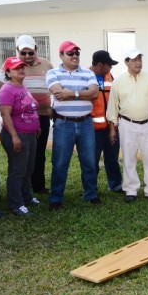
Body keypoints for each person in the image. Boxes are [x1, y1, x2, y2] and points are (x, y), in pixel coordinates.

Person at [45, 40, 100, 210]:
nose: (75, 56)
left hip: (85, 123)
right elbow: (58, 93)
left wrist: (73, 93)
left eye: (77, 53)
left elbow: (95, 93)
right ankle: (56, 198)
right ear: (61, 55)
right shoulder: (52, 72)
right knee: (60, 162)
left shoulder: (88, 73)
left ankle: (91, 194)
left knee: (89, 161)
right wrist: (83, 93)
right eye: (70, 53)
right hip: (64, 124)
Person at [0, 35, 54, 194]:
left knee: (39, 152)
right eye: (23, 53)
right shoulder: (10, 66)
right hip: (18, 118)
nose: (27, 56)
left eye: (30, 52)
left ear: (36, 50)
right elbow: (0, 88)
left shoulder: (47, 64)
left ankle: (37, 186)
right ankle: (20, 191)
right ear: (17, 52)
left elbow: (54, 86)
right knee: (20, 156)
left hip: (40, 116)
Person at [107, 48, 148, 202]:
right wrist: (113, 128)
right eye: (134, 60)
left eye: (140, 58)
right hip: (127, 124)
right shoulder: (118, 82)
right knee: (129, 158)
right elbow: (113, 106)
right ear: (127, 62)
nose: (138, 62)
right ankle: (130, 190)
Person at [0, 57, 41, 216]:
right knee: (17, 171)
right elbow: (6, 114)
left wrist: (36, 126)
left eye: (22, 67)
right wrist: (14, 136)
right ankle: (16, 204)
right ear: (8, 72)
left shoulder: (22, 87)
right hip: (17, 135)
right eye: (16, 68)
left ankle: (27, 197)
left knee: (28, 169)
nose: (21, 70)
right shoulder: (7, 90)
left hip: (29, 135)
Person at [89, 50, 123, 193]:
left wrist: (112, 128)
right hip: (92, 129)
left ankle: (115, 184)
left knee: (112, 158)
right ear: (100, 65)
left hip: (111, 127)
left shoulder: (110, 77)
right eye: (109, 65)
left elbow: (114, 103)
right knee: (92, 161)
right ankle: (91, 189)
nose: (111, 68)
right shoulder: (86, 77)